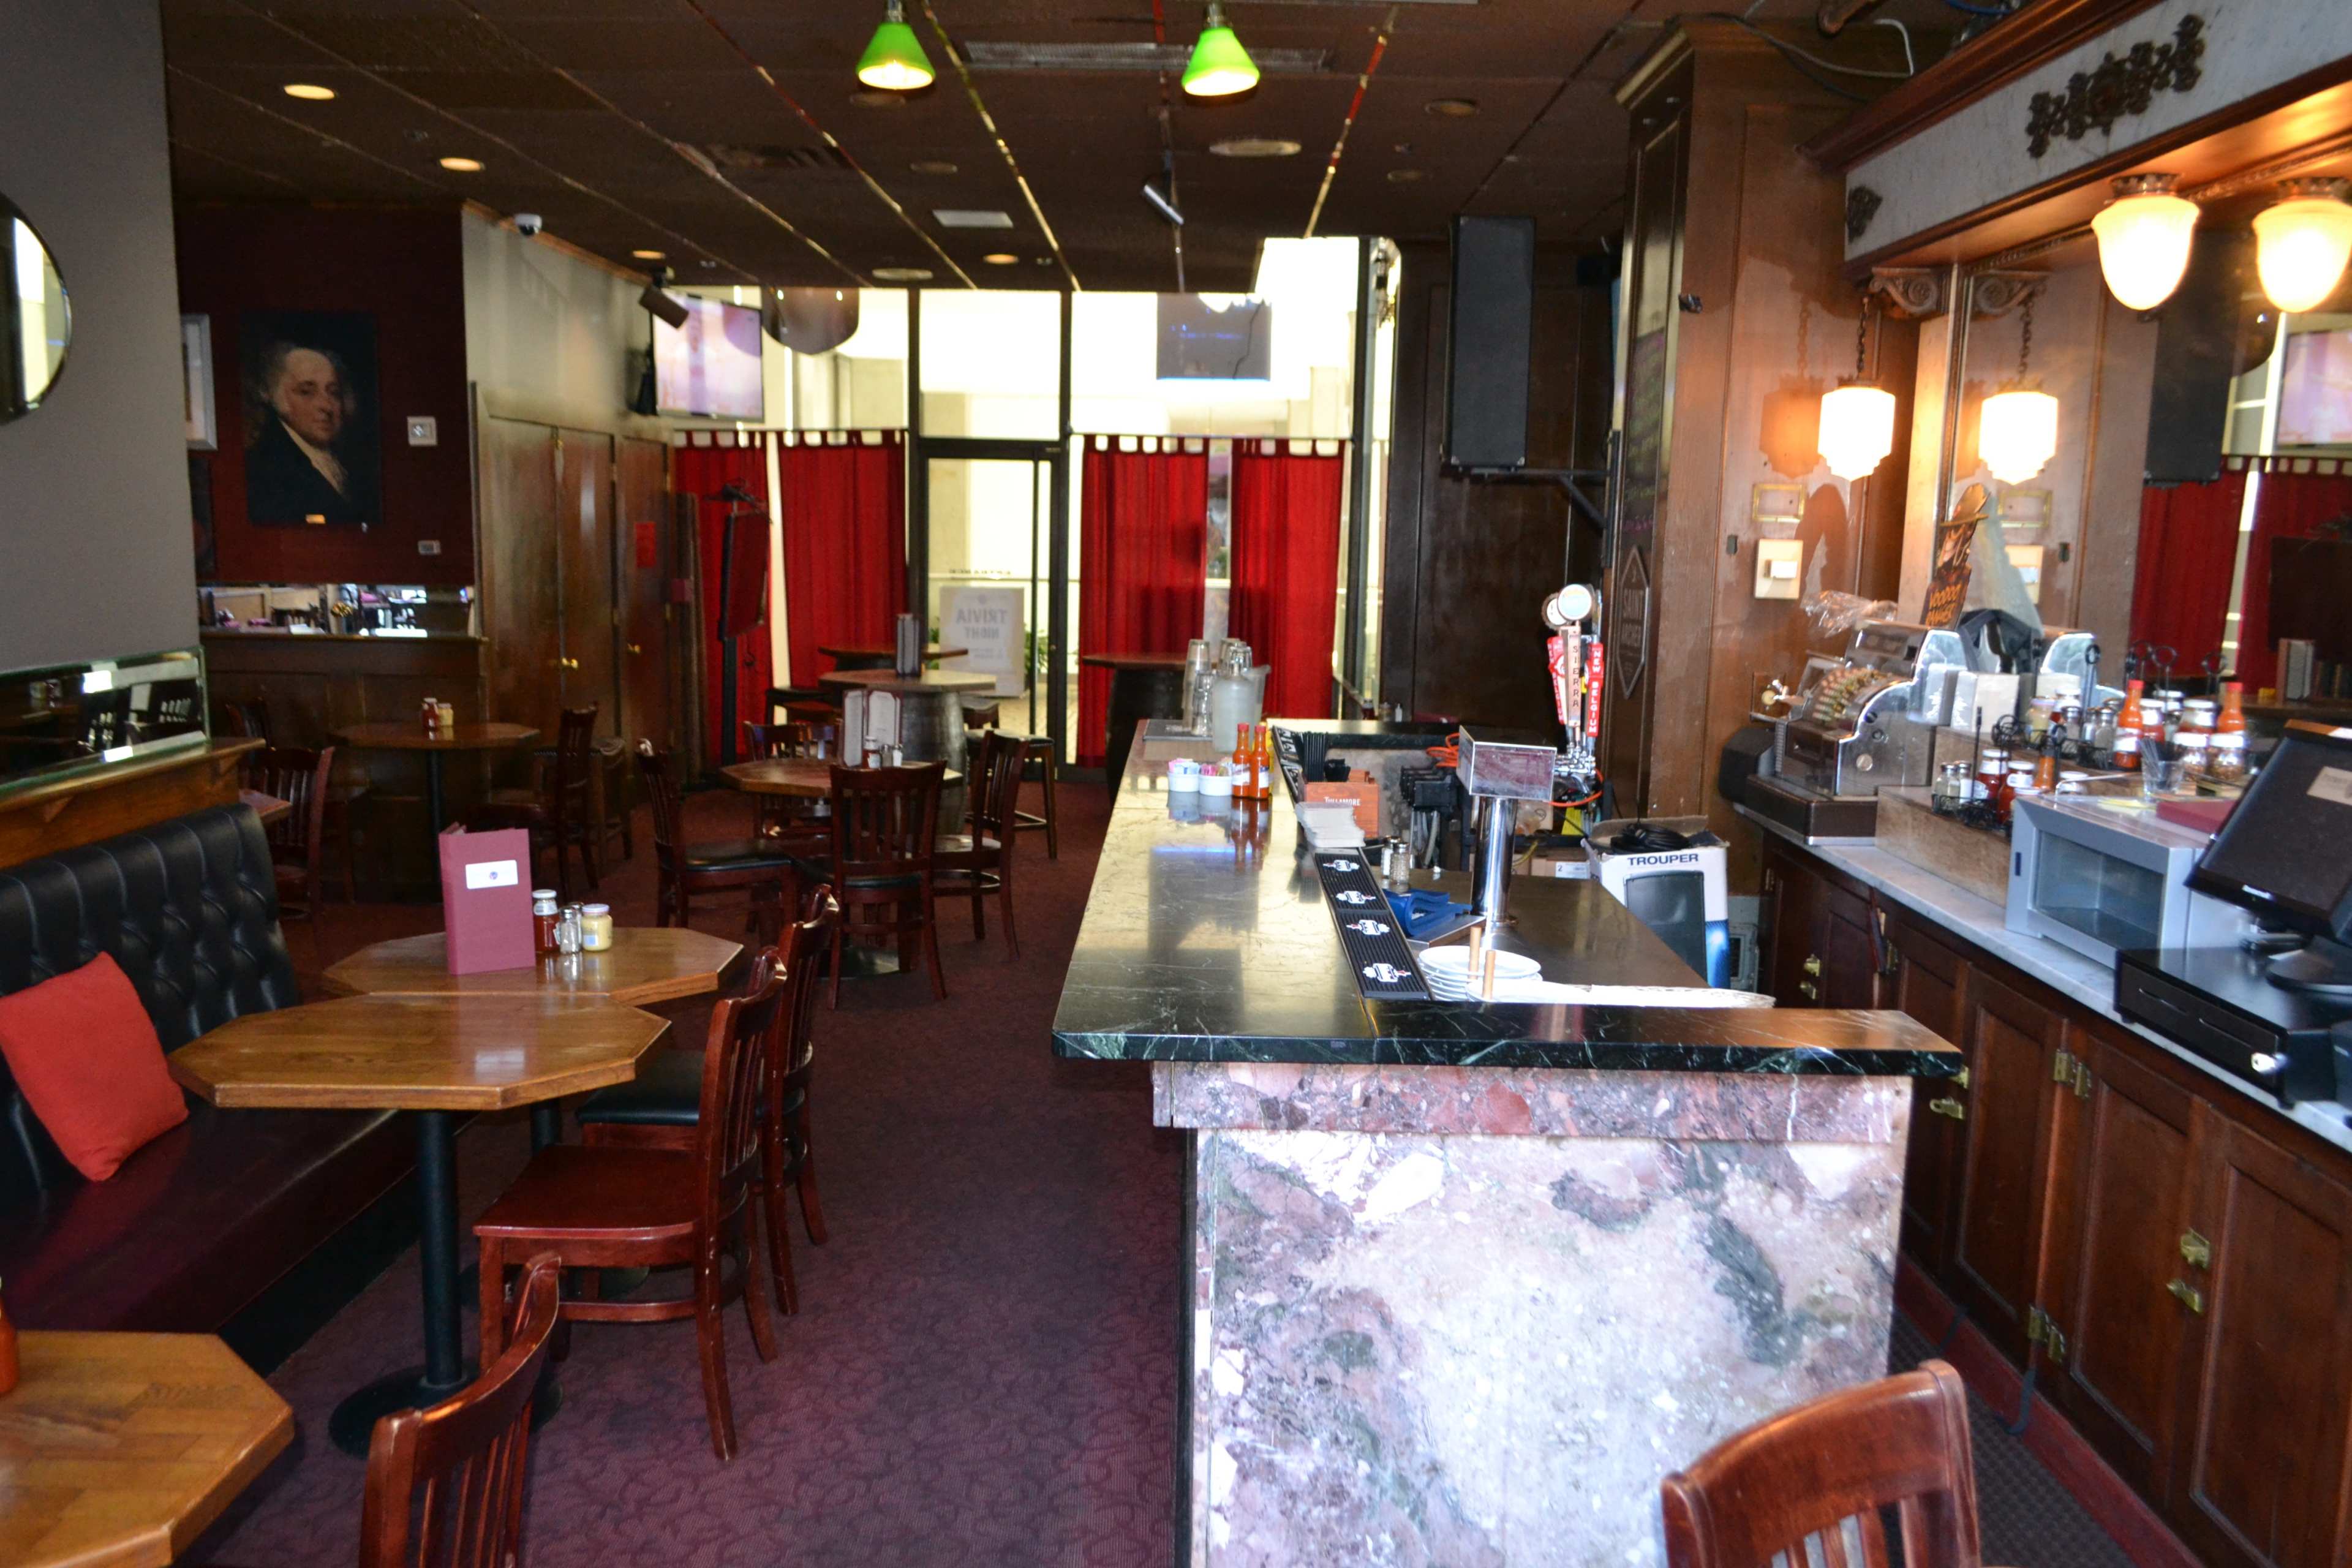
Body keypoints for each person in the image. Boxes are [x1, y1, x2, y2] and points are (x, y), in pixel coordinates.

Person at [244, 341, 374, 524]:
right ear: (277, 397)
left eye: (334, 393)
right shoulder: (265, 468)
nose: (326, 406)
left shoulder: (353, 460)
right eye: (306, 392)